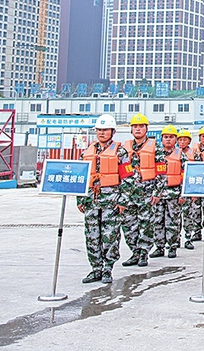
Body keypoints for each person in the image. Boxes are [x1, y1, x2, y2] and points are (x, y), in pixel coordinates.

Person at [78, 114, 129, 284]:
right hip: (92, 200)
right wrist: (80, 199)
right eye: (99, 130)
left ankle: (108, 268)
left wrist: (123, 200)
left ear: (112, 132)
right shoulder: (87, 151)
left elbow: (128, 178)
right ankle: (95, 268)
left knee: (110, 235)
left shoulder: (121, 152)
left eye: (105, 130)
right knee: (92, 235)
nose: (101, 133)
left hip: (112, 201)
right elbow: (82, 176)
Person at [120, 113, 167, 268]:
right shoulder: (124, 148)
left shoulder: (155, 148)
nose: (138, 129)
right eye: (135, 127)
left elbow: (161, 172)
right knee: (128, 225)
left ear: (147, 129)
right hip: (129, 193)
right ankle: (134, 251)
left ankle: (143, 253)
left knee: (146, 224)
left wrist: (157, 192)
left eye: (141, 126)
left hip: (147, 192)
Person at [151, 125, 186, 259]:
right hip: (158, 196)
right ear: (161, 139)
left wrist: (183, 194)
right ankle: (159, 247)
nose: (168, 140)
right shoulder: (155, 155)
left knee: (172, 222)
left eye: (171, 137)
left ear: (175, 139)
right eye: (166, 137)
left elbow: (185, 176)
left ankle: (172, 246)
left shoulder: (181, 156)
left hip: (173, 195)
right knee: (158, 221)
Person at [176, 129, 199, 250]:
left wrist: (194, 192)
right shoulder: (172, 153)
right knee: (174, 218)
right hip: (174, 189)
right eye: (180, 139)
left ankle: (188, 238)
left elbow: (197, 172)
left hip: (188, 188)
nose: (182, 142)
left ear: (189, 141)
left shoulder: (194, 154)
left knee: (188, 216)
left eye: (185, 139)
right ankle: (175, 239)